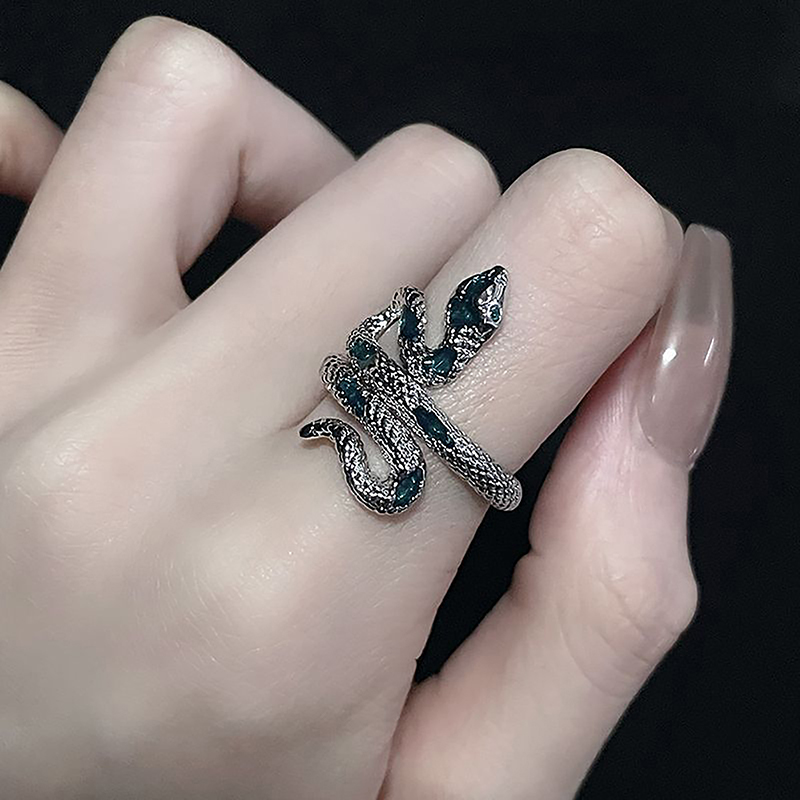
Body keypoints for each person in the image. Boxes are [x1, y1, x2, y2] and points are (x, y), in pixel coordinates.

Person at [0, 16, 732, 800]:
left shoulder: (427, 347)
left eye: (481, 310)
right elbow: (389, 350)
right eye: (483, 307)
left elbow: (396, 355)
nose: (483, 305)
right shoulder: (417, 344)